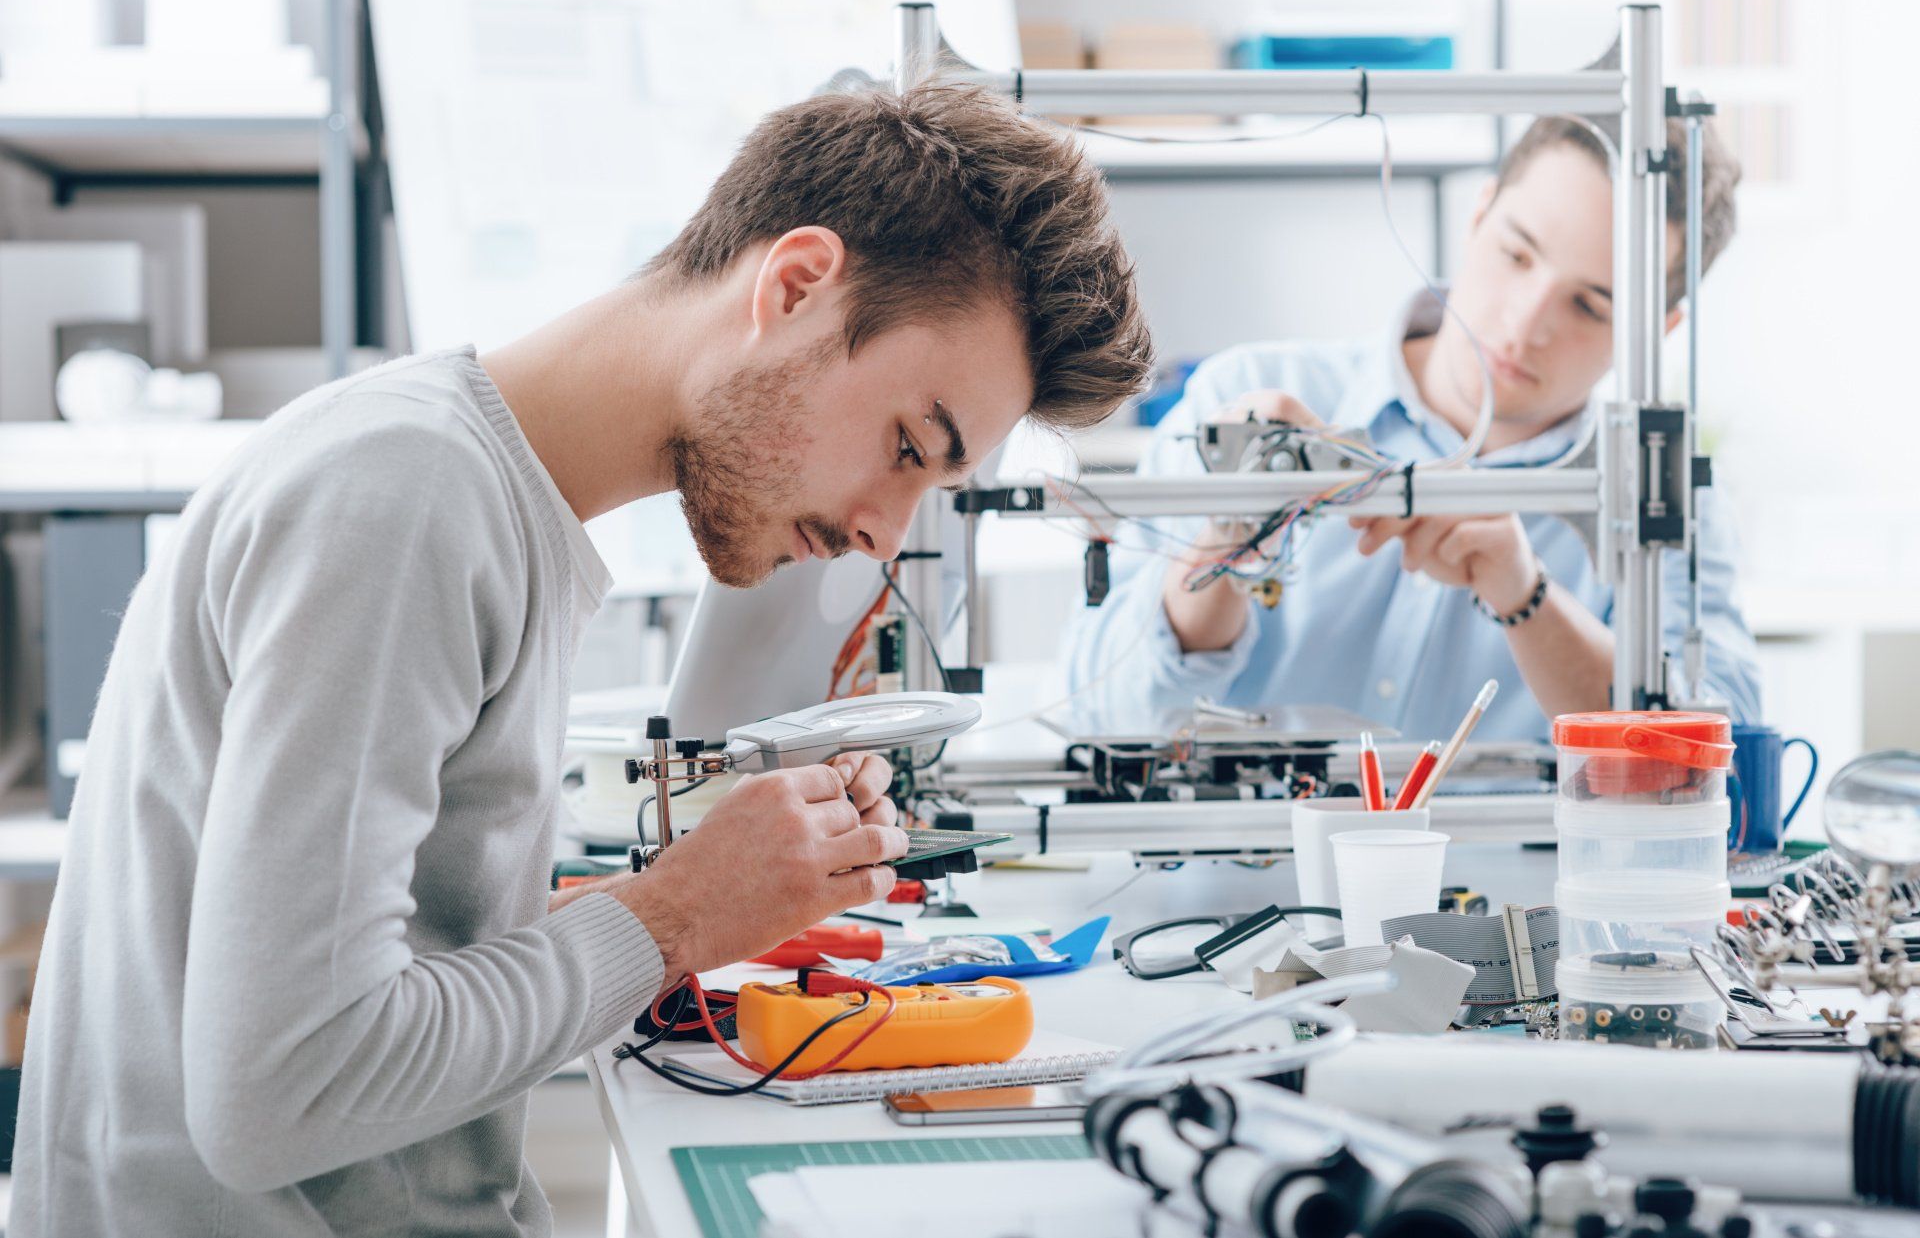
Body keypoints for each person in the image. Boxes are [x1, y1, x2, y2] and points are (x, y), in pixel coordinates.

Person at [13, 84, 1151, 1236]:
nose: (884, 533)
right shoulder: (406, 499)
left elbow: (377, 969)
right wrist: (672, 918)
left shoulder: (479, 499)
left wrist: (699, 902)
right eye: (909, 446)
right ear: (796, 287)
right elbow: (281, 1089)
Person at [1065, 105, 1758, 744]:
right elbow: (1098, 716)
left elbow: (1715, 768)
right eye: (1517, 254)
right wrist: (1220, 547)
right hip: (1235, 877)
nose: (1525, 324)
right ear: (1480, 212)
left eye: (1590, 306)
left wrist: (1528, 597)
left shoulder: (1667, 496)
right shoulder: (1246, 394)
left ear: (1659, 329)